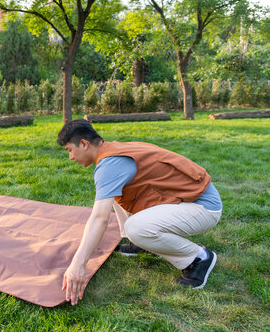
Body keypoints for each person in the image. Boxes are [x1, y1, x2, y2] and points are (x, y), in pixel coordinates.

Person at [57, 119, 222, 305]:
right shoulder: (113, 150)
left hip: (204, 207)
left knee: (136, 228)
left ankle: (197, 258)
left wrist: (78, 264)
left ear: (84, 144)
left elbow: (99, 219)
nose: (70, 157)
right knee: (112, 194)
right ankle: (141, 243)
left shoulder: (110, 164)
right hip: (191, 199)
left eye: (70, 150)